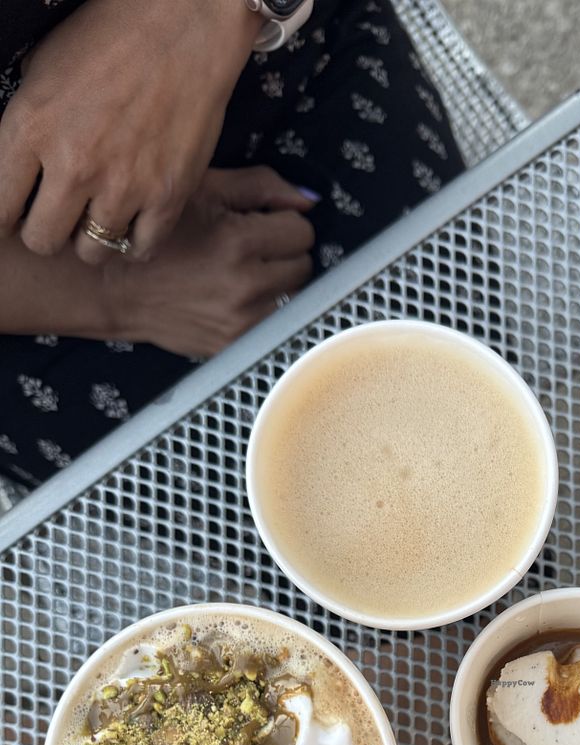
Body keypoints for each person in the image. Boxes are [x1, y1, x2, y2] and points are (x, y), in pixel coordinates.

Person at [0, 0, 464, 494]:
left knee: (460, 414)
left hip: (280, 53)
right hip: (40, 302)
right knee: (276, 509)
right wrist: (115, 287)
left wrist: (198, 15)